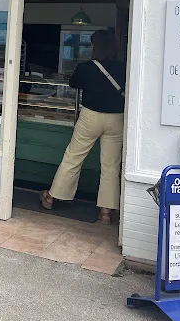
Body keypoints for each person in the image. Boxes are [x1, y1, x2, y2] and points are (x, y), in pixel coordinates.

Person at [40, 30, 125, 224]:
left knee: (73, 157)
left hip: (90, 117)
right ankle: (105, 211)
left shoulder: (87, 67)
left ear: (96, 47)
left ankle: (52, 197)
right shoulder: (123, 68)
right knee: (111, 165)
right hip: (117, 119)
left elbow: (73, 83)